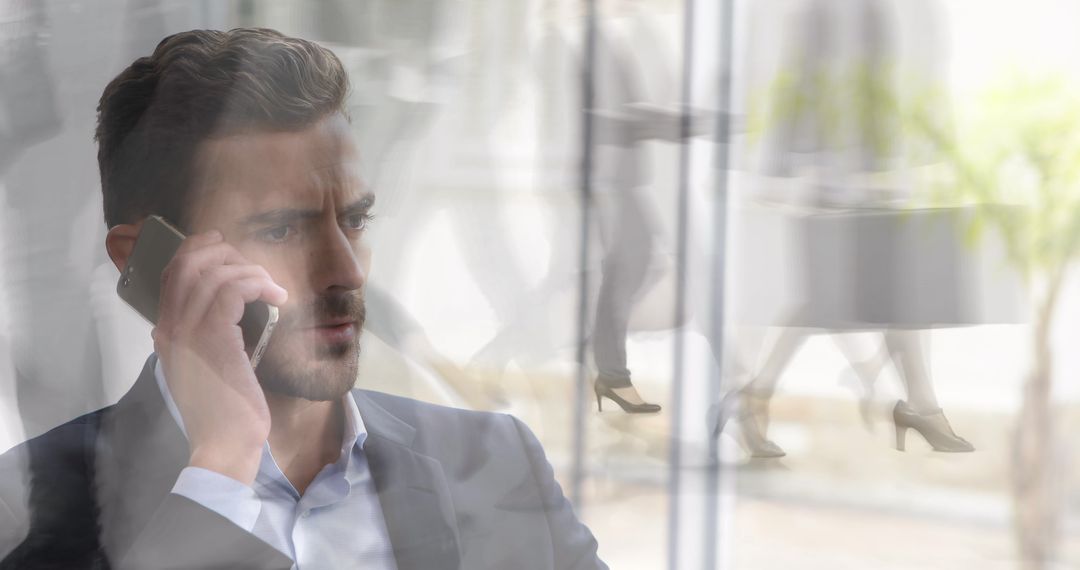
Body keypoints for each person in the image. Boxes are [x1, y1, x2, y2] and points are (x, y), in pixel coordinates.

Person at [0, 28, 606, 569]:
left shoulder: (495, 459)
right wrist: (222, 464)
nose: (345, 270)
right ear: (146, 261)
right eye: (280, 229)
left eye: (355, 220)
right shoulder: (26, 505)